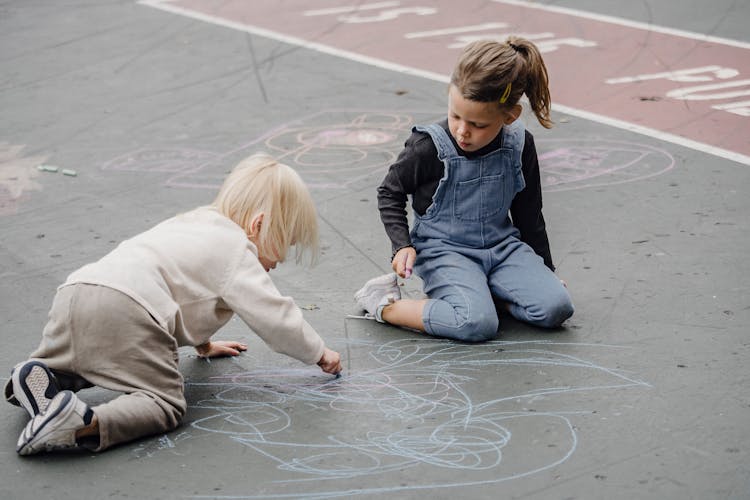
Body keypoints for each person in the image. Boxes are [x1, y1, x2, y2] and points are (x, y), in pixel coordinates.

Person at [6, 153, 342, 455]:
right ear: (258, 225)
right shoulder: (238, 250)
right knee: (164, 404)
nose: (279, 260)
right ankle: (82, 423)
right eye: (283, 245)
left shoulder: (193, 221)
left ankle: (42, 374)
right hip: (129, 309)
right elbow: (274, 317)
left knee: (94, 359)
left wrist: (204, 343)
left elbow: (185, 285)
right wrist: (318, 353)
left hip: (77, 291)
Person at [355, 37, 574, 342]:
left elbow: (529, 215)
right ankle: (383, 304)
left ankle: (485, 293)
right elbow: (390, 192)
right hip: (445, 251)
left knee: (556, 308)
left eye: (477, 124)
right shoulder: (429, 146)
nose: (462, 130)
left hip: (501, 248)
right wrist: (402, 245)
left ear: (509, 117)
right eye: (455, 115)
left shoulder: (519, 145)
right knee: (475, 323)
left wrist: (545, 269)